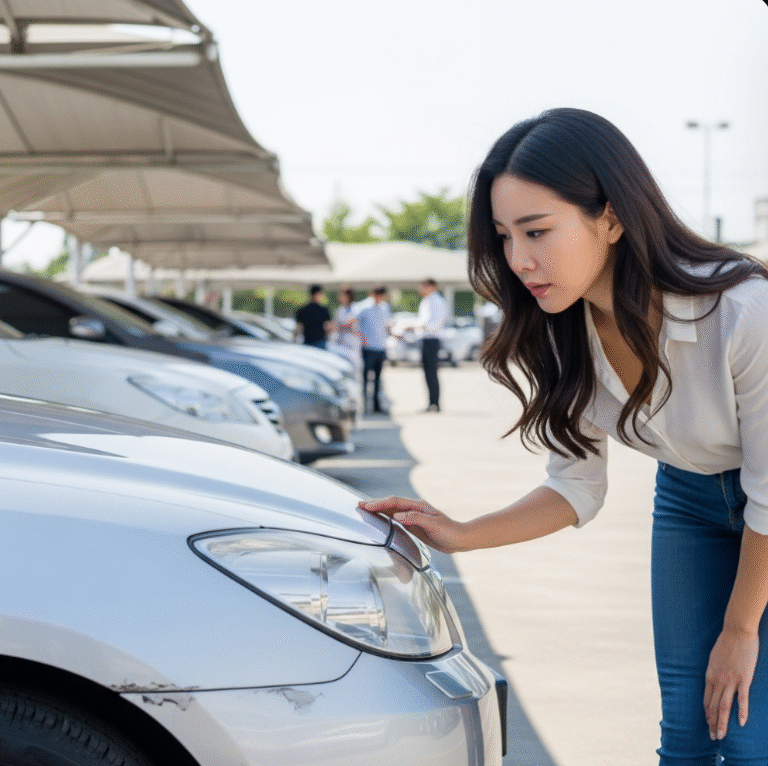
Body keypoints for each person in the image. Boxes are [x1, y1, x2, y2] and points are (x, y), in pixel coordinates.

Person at [359, 108, 768, 765]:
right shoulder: (563, 325)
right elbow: (575, 486)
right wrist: (463, 532)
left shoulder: (743, 312)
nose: (519, 259)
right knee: (687, 738)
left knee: (746, 740)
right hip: (690, 504)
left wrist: (740, 628)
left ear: (610, 217)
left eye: (538, 231)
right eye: (504, 236)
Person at [414, 278, 448, 412]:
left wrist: (421, 326)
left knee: (432, 372)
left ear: (431, 286)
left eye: (423, 286)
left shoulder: (437, 301)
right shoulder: (426, 301)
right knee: (427, 373)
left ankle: (435, 403)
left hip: (432, 340)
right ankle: (431, 402)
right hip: (425, 339)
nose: (421, 289)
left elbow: (436, 323)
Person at [355, 286, 390, 413]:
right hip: (368, 347)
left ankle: (376, 405)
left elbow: (386, 325)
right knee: (365, 378)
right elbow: (355, 322)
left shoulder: (385, 307)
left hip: (380, 347)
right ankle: (364, 405)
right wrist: (361, 337)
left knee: (378, 379)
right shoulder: (363, 307)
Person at [329, 285, 362, 369]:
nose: (340, 297)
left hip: (352, 345)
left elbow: (349, 325)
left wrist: (338, 326)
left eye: (342, 295)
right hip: (340, 344)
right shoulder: (340, 309)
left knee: (352, 370)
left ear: (348, 296)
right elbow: (333, 325)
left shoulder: (355, 307)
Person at [294, 284, 331, 349]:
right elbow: (328, 328)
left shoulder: (302, 310)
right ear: (318, 294)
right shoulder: (324, 310)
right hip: (320, 342)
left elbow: (299, 328)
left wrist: (294, 341)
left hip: (307, 342)